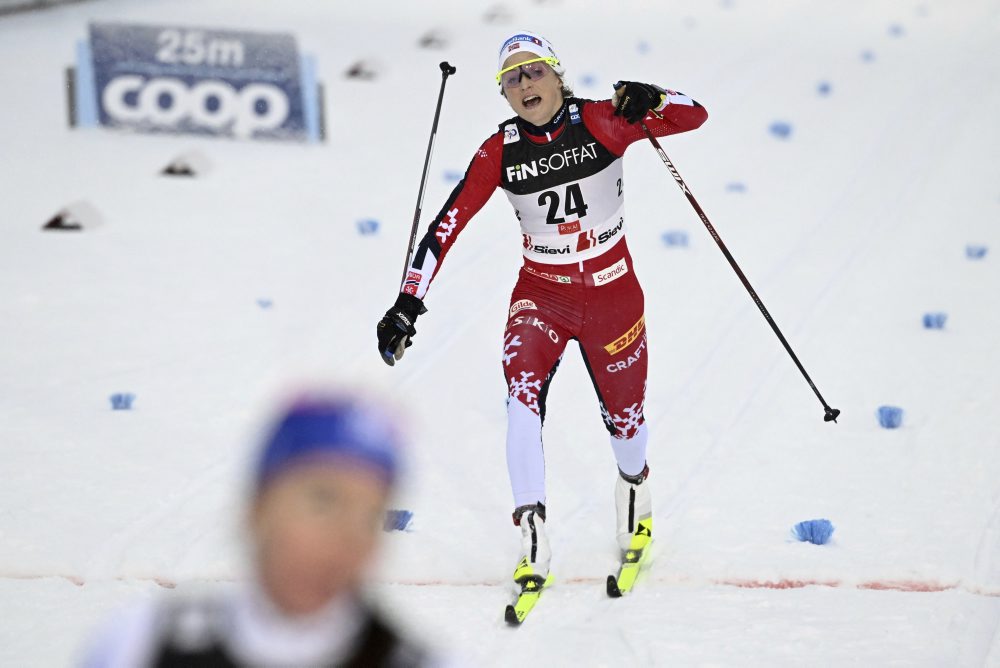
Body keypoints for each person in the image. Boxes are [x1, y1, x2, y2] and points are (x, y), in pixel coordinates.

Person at [376, 31, 707, 588]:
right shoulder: (500, 150)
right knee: (521, 397)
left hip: (612, 292)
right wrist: (408, 300)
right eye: (511, 79)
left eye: (534, 72)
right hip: (542, 296)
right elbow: (445, 227)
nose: (525, 84)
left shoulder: (604, 119)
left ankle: (635, 501)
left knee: (626, 420)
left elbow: (694, 115)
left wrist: (652, 97)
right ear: (503, 95)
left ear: (558, 76)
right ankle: (533, 539)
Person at [83, 395, 436, 667]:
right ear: (258, 506)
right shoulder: (141, 647)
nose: (346, 539)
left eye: (369, 516)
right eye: (323, 501)